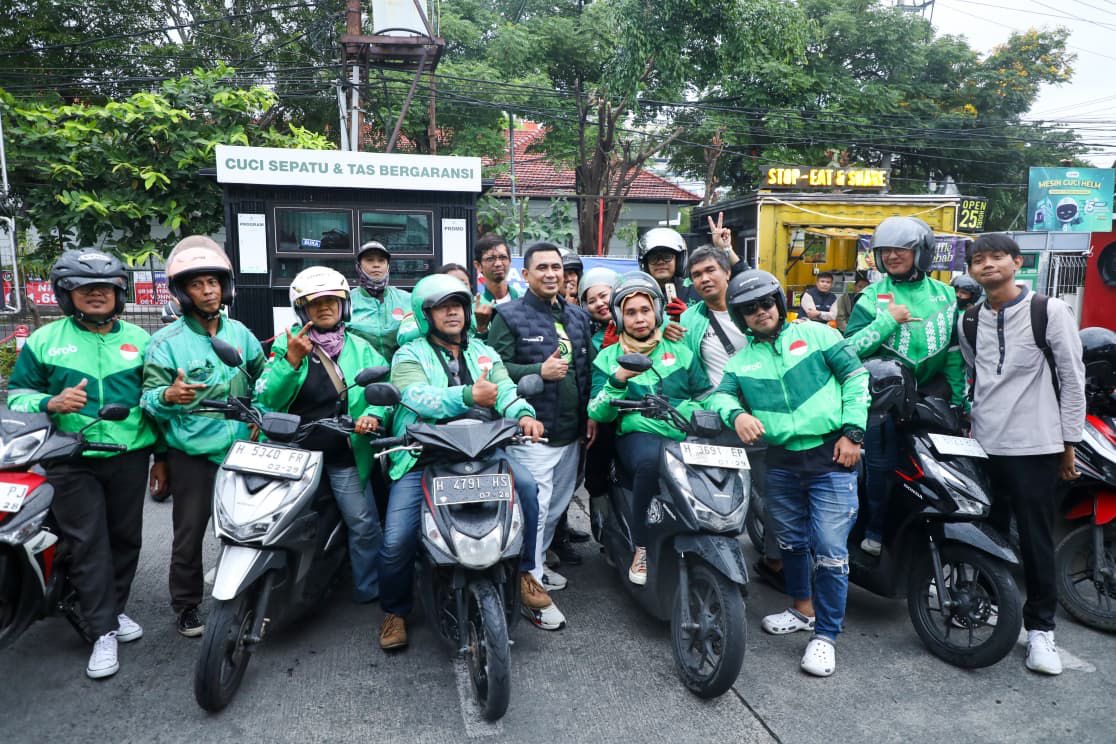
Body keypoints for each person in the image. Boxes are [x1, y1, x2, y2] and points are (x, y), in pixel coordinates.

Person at [377, 275, 560, 648]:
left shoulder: (483, 352)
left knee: (527, 488)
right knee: (396, 540)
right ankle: (395, 611)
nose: (453, 313)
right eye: (442, 307)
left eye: (458, 306)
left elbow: (505, 389)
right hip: (423, 456)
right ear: (425, 315)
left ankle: (525, 572)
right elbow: (414, 395)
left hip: (483, 450)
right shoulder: (409, 354)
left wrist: (524, 414)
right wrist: (466, 395)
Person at [706, 269, 868, 677]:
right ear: (741, 317)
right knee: (791, 542)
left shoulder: (819, 335)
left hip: (831, 455)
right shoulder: (741, 361)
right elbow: (720, 396)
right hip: (780, 460)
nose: (760, 312)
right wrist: (737, 413)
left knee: (830, 550)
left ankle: (826, 635)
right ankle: (801, 609)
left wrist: (853, 433)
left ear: (779, 303)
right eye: (750, 308)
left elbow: (856, 376)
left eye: (766, 303)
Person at [8, 250, 159, 679]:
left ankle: (113, 609)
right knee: (88, 542)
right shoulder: (45, 341)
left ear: (119, 293)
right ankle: (102, 631)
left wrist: (162, 458)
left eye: (106, 288)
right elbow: (17, 395)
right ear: (66, 293)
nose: (97, 294)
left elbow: (155, 401)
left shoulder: (142, 341)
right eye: (85, 287)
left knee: (126, 539)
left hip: (129, 454)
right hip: (69, 457)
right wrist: (49, 402)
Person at [958, 233, 1086, 676]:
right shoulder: (969, 319)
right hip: (984, 445)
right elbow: (976, 375)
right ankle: (990, 605)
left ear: (1016, 262)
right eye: (979, 259)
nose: (988, 265)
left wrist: (1069, 444)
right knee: (986, 533)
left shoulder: (1048, 311)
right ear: (971, 270)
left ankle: (1041, 629)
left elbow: (1072, 379)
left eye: (997, 257)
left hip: (1035, 445)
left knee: (1035, 539)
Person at [142, 236, 265, 638]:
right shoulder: (165, 343)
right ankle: (186, 604)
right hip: (192, 452)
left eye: (213, 282)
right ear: (182, 293)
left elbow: (263, 379)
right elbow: (148, 399)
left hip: (242, 449)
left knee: (249, 527)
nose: (208, 290)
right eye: (197, 284)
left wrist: (261, 415)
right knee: (189, 534)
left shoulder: (241, 334)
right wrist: (168, 396)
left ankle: (247, 595)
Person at [253, 267, 391, 603]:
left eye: (331, 300)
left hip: (344, 451)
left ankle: (368, 588)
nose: (324, 307)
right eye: (315, 302)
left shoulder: (362, 348)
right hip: (292, 454)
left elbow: (384, 393)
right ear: (302, 309)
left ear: (344, 305)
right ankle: (272, 592)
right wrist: (291, 361)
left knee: (363, 523)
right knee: (269, 522)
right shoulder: (287, 344)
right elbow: (266, 397)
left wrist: (372, 416)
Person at [845, 216, 966, 556]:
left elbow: (954, 355)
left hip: (932, 399)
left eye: (901, 249)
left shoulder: (946, 296)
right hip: (881, 402)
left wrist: (960, 403)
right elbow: (848, 349)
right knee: (881, 468)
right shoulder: (871, 297)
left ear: (921, 253)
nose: (892, 256)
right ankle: (875, 530)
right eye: (885, 250)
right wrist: (887, 321)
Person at [587, 271, 710, 585]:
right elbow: (597, 410)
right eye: (630, 312)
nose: (639, 319)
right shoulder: (608, 358)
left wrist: (696, 412)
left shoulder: (680, 350)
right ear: (619, 317)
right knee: (649, 463)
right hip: (638, 434)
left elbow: (704, 394)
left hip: (684, 433)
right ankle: (640, 547)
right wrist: (618, 380)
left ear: (657, 311)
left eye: (645, 310)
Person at [487, 242, 595, 594]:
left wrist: (590, 415)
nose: (551, 274)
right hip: (533, 435)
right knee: (535, 509)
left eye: (556, 267)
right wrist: (538, 371)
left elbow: (588, 370)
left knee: (554, 509)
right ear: (526, 274)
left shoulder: (578, 316)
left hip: (572, 435)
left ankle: (536, 567)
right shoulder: (508, 316)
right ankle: (527, 581)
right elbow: (493, 369)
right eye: (542, 268)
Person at [677, 246, 782, 589]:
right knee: (717, 495)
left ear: (727, 273)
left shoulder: (754, 308)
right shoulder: (690, 319)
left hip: (763, 417)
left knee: (772, 495)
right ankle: (719, 564)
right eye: (696, 275)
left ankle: (775, 560)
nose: (704, 279)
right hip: (716, 420)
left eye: (710, 270)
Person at [348, 240, 411, 360]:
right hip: (360, 370)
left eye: (381, 260)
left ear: (388, 266)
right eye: (369, 260)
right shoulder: (347, 301)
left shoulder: (406, 299)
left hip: (401, 369)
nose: (376, 265)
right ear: (359, 266)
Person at [473, 233, 521, 338]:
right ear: (478, 265)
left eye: (503, 257)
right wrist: (481, 329)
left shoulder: (525, 299)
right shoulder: (473, 310)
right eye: (490, 259)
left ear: (510, 261)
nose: (498, 264)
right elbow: (472, 346)